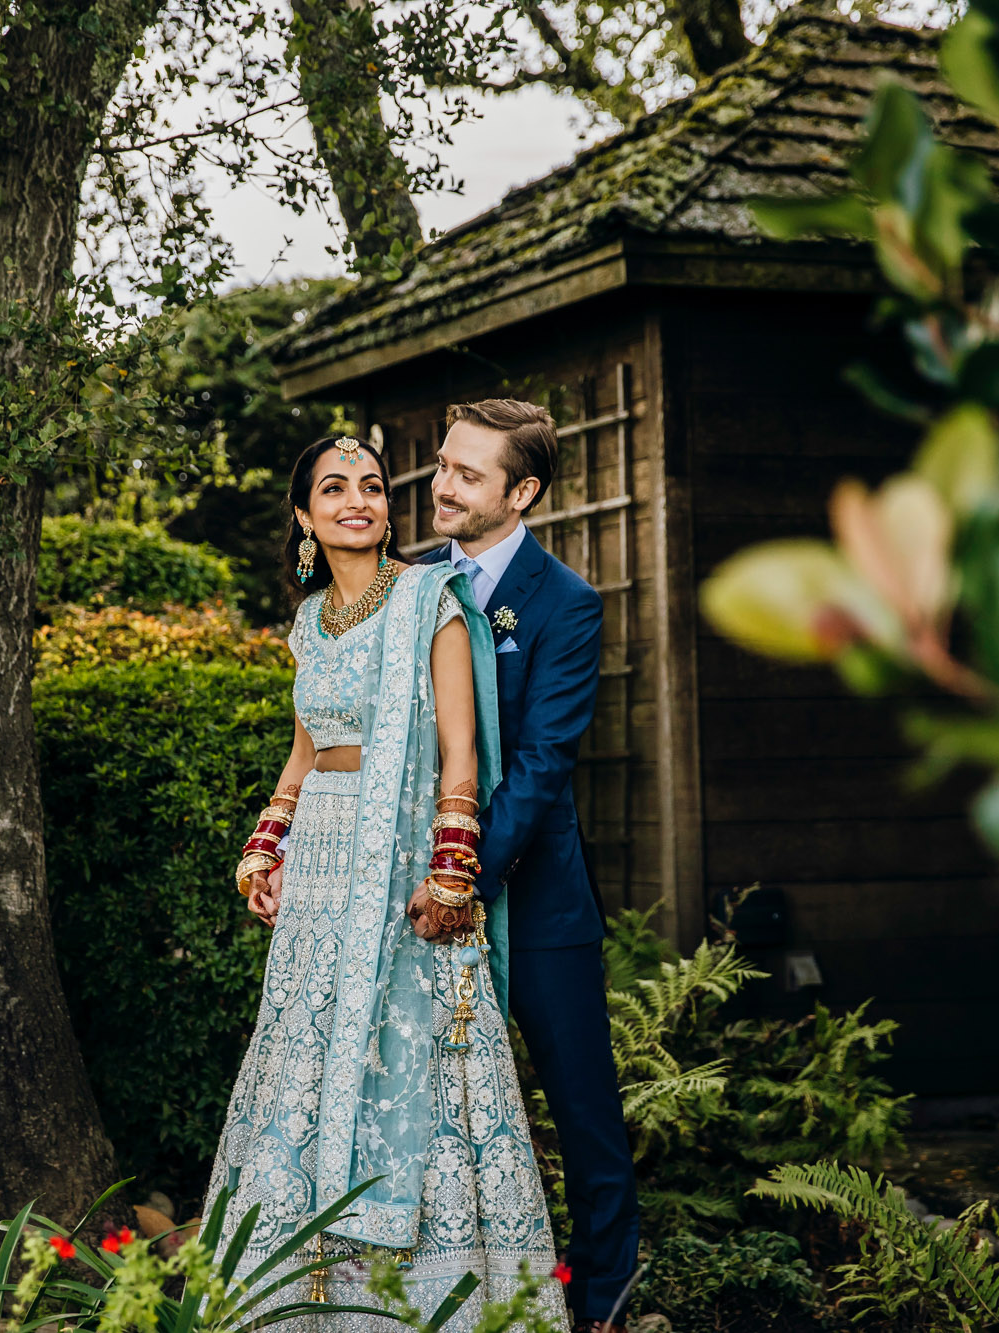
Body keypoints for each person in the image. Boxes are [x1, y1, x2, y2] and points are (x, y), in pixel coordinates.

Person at [207, 433, 569, 1330]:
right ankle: (301, 1295)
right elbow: (304, 753)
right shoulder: (308, 623)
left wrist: (452, 868)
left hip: (404, 864)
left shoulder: (429, 601)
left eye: (370, 485)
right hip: (322, 869)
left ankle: (428, 1297)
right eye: (334, 489)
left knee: (414, 1061)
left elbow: (460, 749)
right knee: (310, 1054)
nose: (357, 500)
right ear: (305, 516)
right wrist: (266, 843)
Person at [420, 400, 641, 1333]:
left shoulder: (565, 603)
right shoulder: (411, 585)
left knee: (583, 1112)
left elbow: (546, 761)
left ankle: (601, 1305)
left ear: (523, 492)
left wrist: (463, 873)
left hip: (537, 901)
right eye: (441, 464)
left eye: (468, 474)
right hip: (420, 900)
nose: (441, 485)